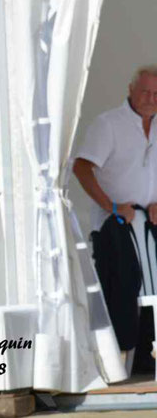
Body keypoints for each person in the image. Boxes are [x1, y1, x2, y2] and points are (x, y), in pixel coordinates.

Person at [73, 66, 157, 362]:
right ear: (131, 90)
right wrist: (111, 206)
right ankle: (120, 355)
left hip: (151, 222)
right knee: (123, 285)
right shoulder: (109, 124)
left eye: (156, 93)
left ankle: (148, 355)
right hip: (116, 223)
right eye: (145, 91)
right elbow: (82, 167)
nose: (150, 98)